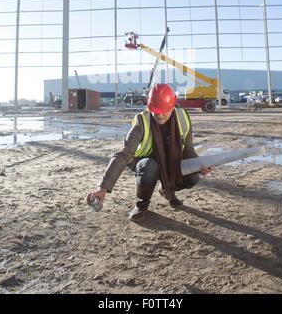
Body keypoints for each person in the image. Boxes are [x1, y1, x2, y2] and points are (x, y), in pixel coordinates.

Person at [86, 84, 212, 222]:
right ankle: (141, 204)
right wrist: (102, 188)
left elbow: (188, 149)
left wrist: (200, 166)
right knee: (149, 166)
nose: (159, 114)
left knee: (192, 178)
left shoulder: (183, 118)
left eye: (164, 110)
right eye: (155, 110)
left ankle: (167, 191)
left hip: (171, 161)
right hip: (145, 162)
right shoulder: (142, 120)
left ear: (172, 105)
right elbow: (123, 154)